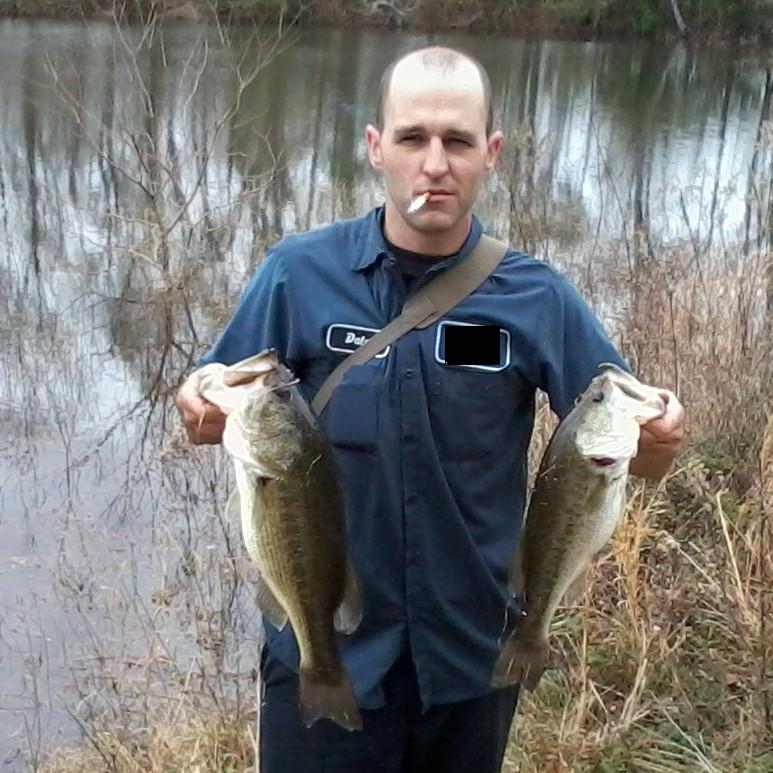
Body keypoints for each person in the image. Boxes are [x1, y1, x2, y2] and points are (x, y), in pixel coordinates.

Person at [176, 46, 685, 773]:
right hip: (327, 645)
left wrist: (662, 429)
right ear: (376, 147)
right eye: (413, 137)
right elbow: (206, 411)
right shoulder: (297, 273)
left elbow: (636, 446)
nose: (435, 164)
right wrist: (198, 400)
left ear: (491, 153)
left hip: (469, 658)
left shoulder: (537, 296)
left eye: (458, 141)